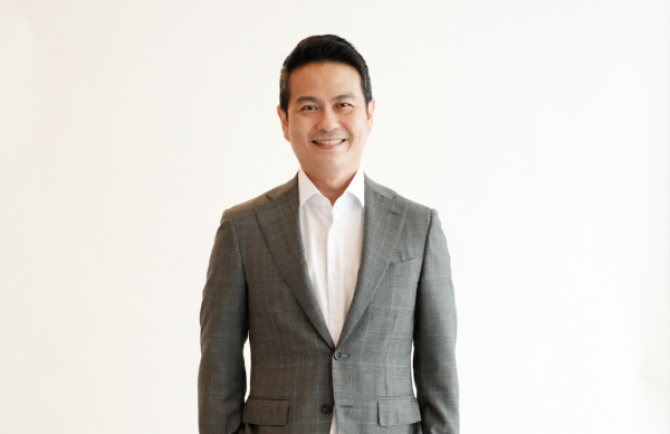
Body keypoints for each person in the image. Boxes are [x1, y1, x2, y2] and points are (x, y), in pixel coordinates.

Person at [198, 34, 458, 434]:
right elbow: (219, 370)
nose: (328, 122)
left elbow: (438, 370)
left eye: (343, 105)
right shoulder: (243, 228)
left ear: (369, 113)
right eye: (309, 107)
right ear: (284, 121)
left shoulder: (417, 227)